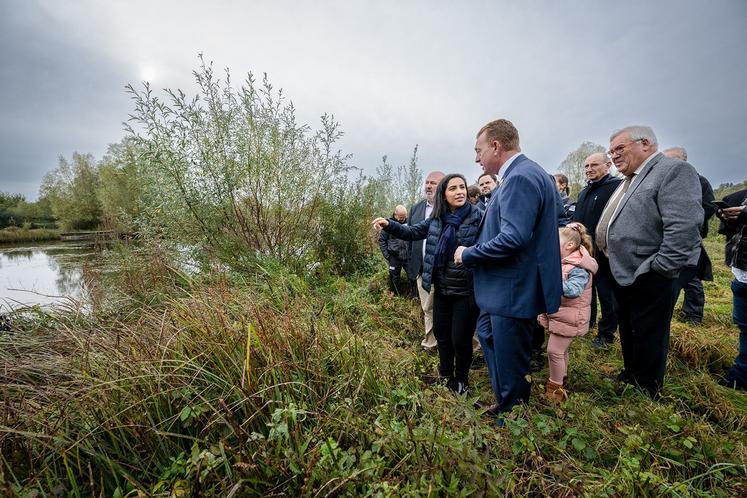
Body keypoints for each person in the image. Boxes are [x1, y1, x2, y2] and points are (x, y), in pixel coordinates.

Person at [455, 119, 562, 417]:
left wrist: (469, 254)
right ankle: (505, 400)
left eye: (479, 150)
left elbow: (513, 238)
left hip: (512, 289)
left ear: (496, 146)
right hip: (504, 290)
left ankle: (514, 417)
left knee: (511, 355)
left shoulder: (520, 178)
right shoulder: (527, 173)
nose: (476, 158)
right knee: (489, 336)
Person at [596, 126, 702, 397]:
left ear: (645, 144)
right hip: (622, 270)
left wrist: (660, 269)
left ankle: (646, 387)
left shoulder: (673, 171)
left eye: (620, 149)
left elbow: (683, 227)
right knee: (630, 328)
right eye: (611, 151)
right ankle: (631, 373)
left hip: (649, 272)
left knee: (649, 331)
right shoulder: (630, 178)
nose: (615, 156)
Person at [374, 174, 482, 394]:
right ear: (444, 194)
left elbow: (487, 246)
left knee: (460, 339)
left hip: (465, 290)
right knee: (442, 335)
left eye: (462, 187)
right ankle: (445, 376)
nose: (460, 191)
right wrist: (389, 225)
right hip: (441, 286)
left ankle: (461, 381)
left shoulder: (478, 217)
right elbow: (412, 232)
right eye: (453, 188)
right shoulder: (437, 218)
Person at [538, 223, 598, 402]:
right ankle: (561, 379)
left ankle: (555, 392)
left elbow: (573, 290)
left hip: (571, 317)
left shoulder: (578, 267)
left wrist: (552, 280)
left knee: (554, 351)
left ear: (569, 246)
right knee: (561, 351)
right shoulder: (565, 262)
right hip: (562, 316)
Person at [573, 152, 622, 349]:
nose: (589, 169)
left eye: (594, 165)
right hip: (584, 250)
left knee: (606, 294)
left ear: (607, 165)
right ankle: (588, 323)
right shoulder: (584, 192)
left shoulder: (616, 188)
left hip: (605, 252)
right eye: (586, 166)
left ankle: (606, 334)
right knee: (586, 291)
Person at [663, 147, 716, 324]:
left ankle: (693, 314)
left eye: (671, 159)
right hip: (665, 237)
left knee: (690, 277)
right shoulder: (664, 181)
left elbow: (710, 206)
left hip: (691, 238)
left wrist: (687, 221)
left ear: (683, 160)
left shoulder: (700, 181)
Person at [407, 171, 445, 350]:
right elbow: (411, 236)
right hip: (422, 269)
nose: (428, 186)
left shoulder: (450, 208)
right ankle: (431, 344)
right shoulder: (416, 208)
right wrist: (411, 263)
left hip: (446, 270)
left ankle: (473, 348)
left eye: (434, 183)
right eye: (427, 182)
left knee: (456, 310)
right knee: (427, 308)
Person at [715, 188, 747, 391]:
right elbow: (729, 232)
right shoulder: (742, 196)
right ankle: (742, 374)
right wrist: (726, 216)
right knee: (744, 325)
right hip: (742, 272)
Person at [378, 205, 410, 295]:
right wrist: (387, 256)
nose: (402, 219)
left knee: (413, 277)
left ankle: (414, 297)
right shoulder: (388, 224)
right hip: (394, 257)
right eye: (400, 217)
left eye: (404, 217)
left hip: (407, 257)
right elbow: (382, 240)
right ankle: (396, 297)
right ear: (395, 214)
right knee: (394, 279)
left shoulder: (410, 222)